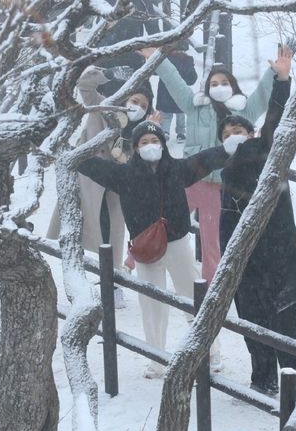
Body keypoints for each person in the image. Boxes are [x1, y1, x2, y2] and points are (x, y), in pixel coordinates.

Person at [76, 120, 228, 378]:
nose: (150, 146)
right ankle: (156, 359)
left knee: (193, 297)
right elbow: (92, 166)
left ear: (163, 144)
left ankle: (211, 352)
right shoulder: (124, 174)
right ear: (135, 147)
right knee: (151, 305)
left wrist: (228, 149)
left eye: (154, 141)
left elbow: (206, 159)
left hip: (177, 243)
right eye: (144, 142)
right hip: (145, 249)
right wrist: (70, 152)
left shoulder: (177, 169)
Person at [140, 45, 288, 285]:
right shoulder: (193, 106)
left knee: (212, 243)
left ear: (233, 86)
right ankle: (139, 261)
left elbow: (264, 94)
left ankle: (210, 289)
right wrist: (158, 58)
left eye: (224, 82)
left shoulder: (245, 111)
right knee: (161, 222)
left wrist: (274, 73)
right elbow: (174, 82)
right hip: (192, 181)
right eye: (214, 83)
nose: (219, 87)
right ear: (207, 87)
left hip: (221, 187)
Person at [217, 47, 296, 396]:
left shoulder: (265, 154)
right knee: (253, 326)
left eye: (239, 130)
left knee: (287, 324)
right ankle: (264, 381)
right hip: (246, 265)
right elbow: (225, 226)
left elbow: (277, 120)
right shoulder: (226, 173)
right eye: (226, 133)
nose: (233, 136)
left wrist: (282, 79)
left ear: (252, 134)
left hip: (277, 257)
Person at [46, 66, 154, 308]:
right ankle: (78, 284)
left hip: (114, 188)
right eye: (134, 100)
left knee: (110, 235)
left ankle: (112, 285)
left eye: (143, 106)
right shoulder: (105, 108)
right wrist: (110, 73)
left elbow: (145, 160)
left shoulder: (139, 133)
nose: (137, 107)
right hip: (88, 180)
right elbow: (85, 85)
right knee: (77, 232)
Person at [155, 45, 197, 143]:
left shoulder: (164, 59)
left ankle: (165, 131)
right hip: (180, 91)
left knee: (166, 114)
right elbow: (192, 78)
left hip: (165, 91)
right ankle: (181, 133)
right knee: (181, 112)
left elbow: (156, 72)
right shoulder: (187, 60)